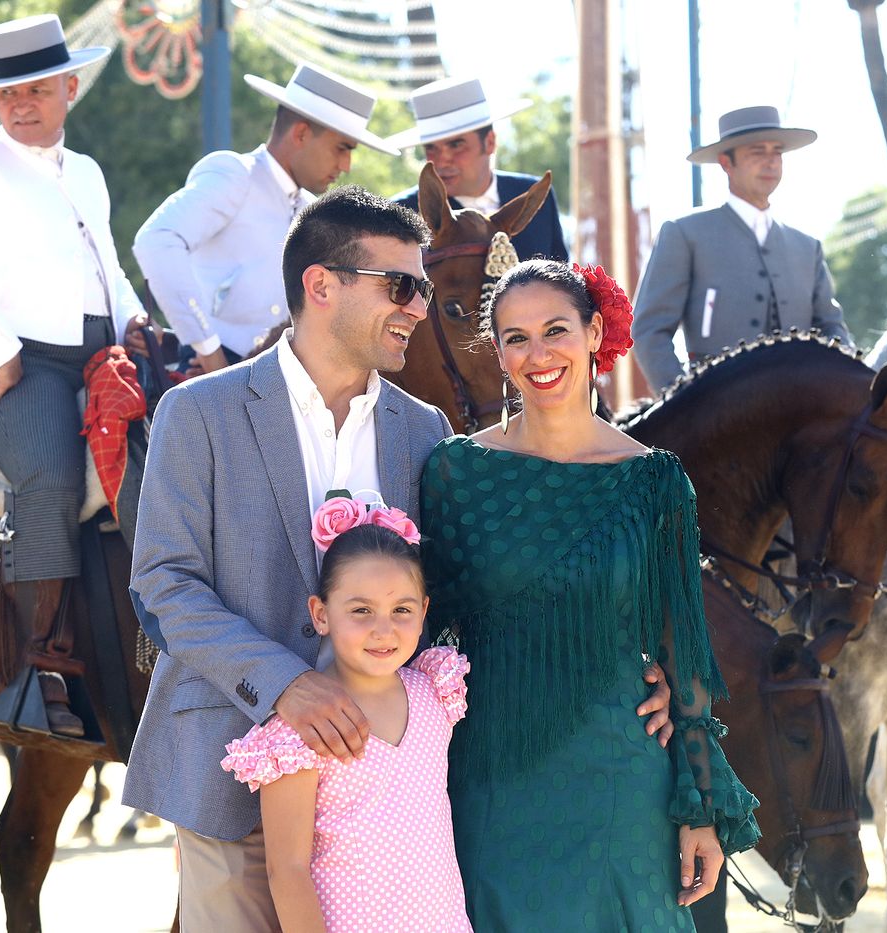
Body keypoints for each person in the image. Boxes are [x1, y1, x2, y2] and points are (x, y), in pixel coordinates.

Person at [125, 189, 675, 928]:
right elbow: (164, 582)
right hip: (231, 765)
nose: (419, 305)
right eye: (402, 286)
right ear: (321, 285)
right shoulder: (199, 412)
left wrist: (621, 671)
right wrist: (287, 686)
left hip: (392, 804)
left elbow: (470, 596)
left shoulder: (424, 432)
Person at [419, 259, 760, 930]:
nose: (537, 354)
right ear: (498, 351)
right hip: (492, 779)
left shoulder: (654, 483)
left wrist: (699, 807)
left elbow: (683, 652)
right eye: (515, 337)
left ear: (594, 330)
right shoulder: (455, 473)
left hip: (620, 775)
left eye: (555, 330)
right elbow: (427, 637)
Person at [0, 13, 151, 738]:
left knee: (173, 460)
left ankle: (165, 639)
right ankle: (38, 669)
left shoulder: (88, 172)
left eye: (36, 90)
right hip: (13, 364)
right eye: (7, 94)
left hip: (101, 357)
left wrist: (138, 320)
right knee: (47, 476)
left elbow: (106, 268)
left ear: (70, 88)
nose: (19, 105)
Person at [222, 509, 472, 932]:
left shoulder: (435, 692)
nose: (383, 630)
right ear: (321, 614)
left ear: (425, 610)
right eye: (361, 611)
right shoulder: (299, 733)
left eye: (402, 610)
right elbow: (288, 869)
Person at [134, 63, 398, 375]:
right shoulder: (235, 175)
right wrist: (208, 350)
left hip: (280, 380)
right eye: (342, 148)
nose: (347, 165)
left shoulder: (313, 211)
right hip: (210, 372)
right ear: (300, 133)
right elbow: (156, 239)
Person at [632, 105, 848, 391]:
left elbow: (831, 327)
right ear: (726, 163)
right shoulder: (685, 233)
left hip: (803, 412)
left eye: (777, 152)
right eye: (757, 152)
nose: (771, 162)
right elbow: (649, 331)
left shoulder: (807, 247)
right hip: (717, 412)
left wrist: (844, 384)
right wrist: (684, 401)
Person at [388, 76, 569, 262]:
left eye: (456, 144)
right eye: (430, 148)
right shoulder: (400, 214)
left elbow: (562, 276)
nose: (442, 161)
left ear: (490, 142)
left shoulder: (537, 196)